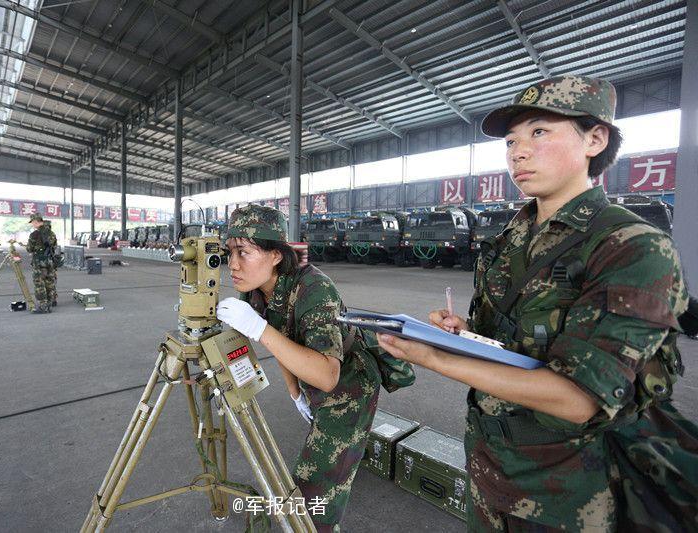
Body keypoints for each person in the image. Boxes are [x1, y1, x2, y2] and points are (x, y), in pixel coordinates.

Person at [376, 75, 697, 531]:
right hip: (491, 465)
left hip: (569, 491)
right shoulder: (512, 238)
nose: (517, 152)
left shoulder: (632, 246)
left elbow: (578, 399)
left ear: (595, 138)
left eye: (539, 132)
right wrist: (462, 333)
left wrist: (431, 357)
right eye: (510, 141)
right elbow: (512, 340)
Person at [216, 204, 382, 532]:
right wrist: (295, 392)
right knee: (330, 466)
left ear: (276, 255)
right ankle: (342, 467)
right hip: (311, 374)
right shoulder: (253, 290)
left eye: (243, 253)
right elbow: (281, 338)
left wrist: (259, 329)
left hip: (348, 388)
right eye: (229, 252)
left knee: (310, 501)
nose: (232, 265)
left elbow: (326, 375)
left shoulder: (314, 289)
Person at [26, 213, 58, 313]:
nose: (32, 224)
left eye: (32, 222)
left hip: (39, 262)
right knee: (49, 282)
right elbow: (55, 246)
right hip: (49, 261)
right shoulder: (51, 233)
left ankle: (43, 306)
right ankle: (49, 304)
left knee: (39, 284)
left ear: (36, 221)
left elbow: (29, 249)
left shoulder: (34, 234)